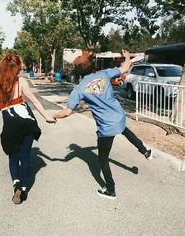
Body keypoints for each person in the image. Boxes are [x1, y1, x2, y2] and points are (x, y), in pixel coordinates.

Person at [52, 50, 153, 200]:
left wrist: (53, 116)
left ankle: (110, 190)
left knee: (103, 159)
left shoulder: (79, 88)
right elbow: (125, 68)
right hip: (119, 116)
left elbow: (67, 112)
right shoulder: (105, 73)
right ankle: (145, 151)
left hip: (106, 126)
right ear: (91, 66)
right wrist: (126, 57)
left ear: (77, 72)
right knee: (124, 130)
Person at [0, 53, 56, 204]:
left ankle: (16, 183)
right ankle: (24, 189)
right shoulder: (21, 81)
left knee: (13, 157)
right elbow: (34, 101)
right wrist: (46, 117)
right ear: (16, 67)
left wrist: (6, 105)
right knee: (25, 158)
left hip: (10, 125)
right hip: (27, 122)